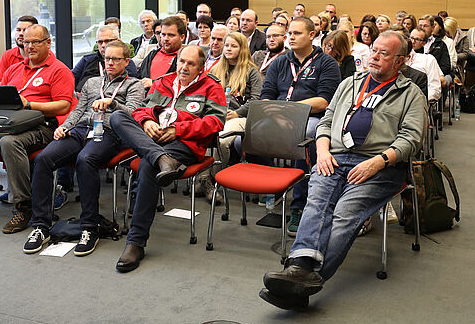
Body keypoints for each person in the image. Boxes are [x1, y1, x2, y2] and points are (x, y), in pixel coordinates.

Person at [259, 31, 428, 309]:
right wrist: (323, 151)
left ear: (400, 61)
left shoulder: (411, 95)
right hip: (334, 158)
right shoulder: (350, 83)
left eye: (383, 54)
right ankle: (299, 272)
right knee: (317, 204)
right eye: (374, 50)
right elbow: (325, 123)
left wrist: (378, 162)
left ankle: (303, 281)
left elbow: (411, 140)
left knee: (344, 214)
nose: (373, 56)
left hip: (378, 166)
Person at [108, 46, 227, 272]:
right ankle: (161, 158)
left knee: (146, 166)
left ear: (201, 67)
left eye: (191, 64)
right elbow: (142, 109)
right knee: (117, 116)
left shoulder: (211, 86)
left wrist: (179, 130)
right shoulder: (164, 81)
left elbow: (216, 122)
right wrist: (146, 122)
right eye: (182, 61)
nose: (184, 67)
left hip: (183, 143)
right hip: (152, 137)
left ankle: (136, 242)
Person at [23, 40, 146, 255]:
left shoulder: (133, 84)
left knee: (85, 160)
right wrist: (65, 127)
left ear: (126, 61)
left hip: (110, 133)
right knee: (44, 158)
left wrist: (112, 103)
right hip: (81, 130)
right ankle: (40, 225)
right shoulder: (91, 82)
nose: (110, 63)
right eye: (107, 58)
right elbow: (78, 110)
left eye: (116, 59)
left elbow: (133, 115)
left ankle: (90, 227)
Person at [260, 16, 342, 235]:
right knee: (243, 139)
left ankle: (299, 204)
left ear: (312, 35)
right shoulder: (280, 61)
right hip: (278, 117)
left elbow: (324, 101)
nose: (291, 38)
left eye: (297, 33)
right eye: (290, 34)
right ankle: (275, 187)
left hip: (310, 118)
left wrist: (288, 110)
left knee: (306, 135)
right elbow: (266, 96)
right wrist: (278, 114)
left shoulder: (326, 63)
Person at [0, 24, 77, 234]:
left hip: (43, 125)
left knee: (9, 142)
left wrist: (30, 105)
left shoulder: (59, 70)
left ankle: (24, 206)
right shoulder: (14, 68)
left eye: (35, 42)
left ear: (48, 43)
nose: (29, 46)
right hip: (11, 122)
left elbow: (63, 106)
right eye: (26, 42)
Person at [202, 32, 264, 202]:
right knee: (204, 133)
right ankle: (205, 178)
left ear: (242, 49)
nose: (228, 48)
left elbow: (256, 101)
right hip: (218, 115)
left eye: (233, 46)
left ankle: (213, 180)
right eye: (227, 45)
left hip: (241, 118)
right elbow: (206, 95)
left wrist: (237, 113)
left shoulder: (252, 72)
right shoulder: (216, 69)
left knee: (221, 139)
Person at [72, 24, 138, 89]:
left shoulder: (125, 63)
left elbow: (131, 87)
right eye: (100, 42)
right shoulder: (86, 60)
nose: (103, 45)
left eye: (107, 41)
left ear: (117, 41)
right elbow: (69, 80)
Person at [136, 16, 186, 89]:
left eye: (171, 35)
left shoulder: (186, 59)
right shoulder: (151, 55)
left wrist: (153, 83)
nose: (166, 39)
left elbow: (183, 85)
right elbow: (138, 77)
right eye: (163, 34)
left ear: (182, 37)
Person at [0, 15, 38, 84]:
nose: (21, 33)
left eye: (25, 30)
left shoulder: (44, 55)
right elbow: (0, 84)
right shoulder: (8, 55)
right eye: (18, 30)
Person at [408, 28, 444, 101]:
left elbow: (435, 90)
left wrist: (418, 100)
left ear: (424, 43)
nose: (413, 41)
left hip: (418, 102)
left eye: (417, 39)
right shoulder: (395, 60)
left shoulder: (428, 59)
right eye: (411, 38)